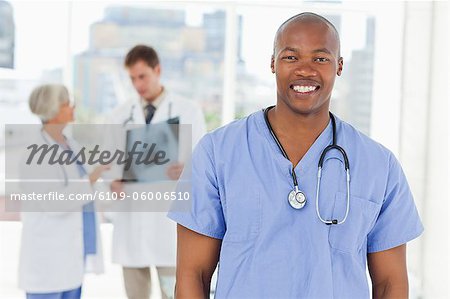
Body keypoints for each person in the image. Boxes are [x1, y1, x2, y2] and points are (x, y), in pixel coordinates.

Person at [168, 12, 423, 298]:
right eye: (291, 57)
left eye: (320, 58)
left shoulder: (379, 165)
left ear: (339, 66)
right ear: (273, 63)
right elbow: (192, 274)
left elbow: (391, 283)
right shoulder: (217, 153)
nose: (305, 70)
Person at [106, 45, 206, 299]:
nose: (138, 85)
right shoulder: (119, 116)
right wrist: (112, 181)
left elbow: (205, 166)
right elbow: (109, 164)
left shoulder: (188, 111)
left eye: (143, 76)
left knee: (173, 293)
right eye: (132, 78)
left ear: (157, 70)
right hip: (132, 221)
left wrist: (188, 170)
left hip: (168, 227)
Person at [18, 84, 107, 299]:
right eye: (68, 102)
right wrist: (92, 178)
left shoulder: (71, 144)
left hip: (72, 257)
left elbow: (86, 190)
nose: (73, 106)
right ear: (54, 109)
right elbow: (52, 203)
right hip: (47, 261)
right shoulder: (34, 149)